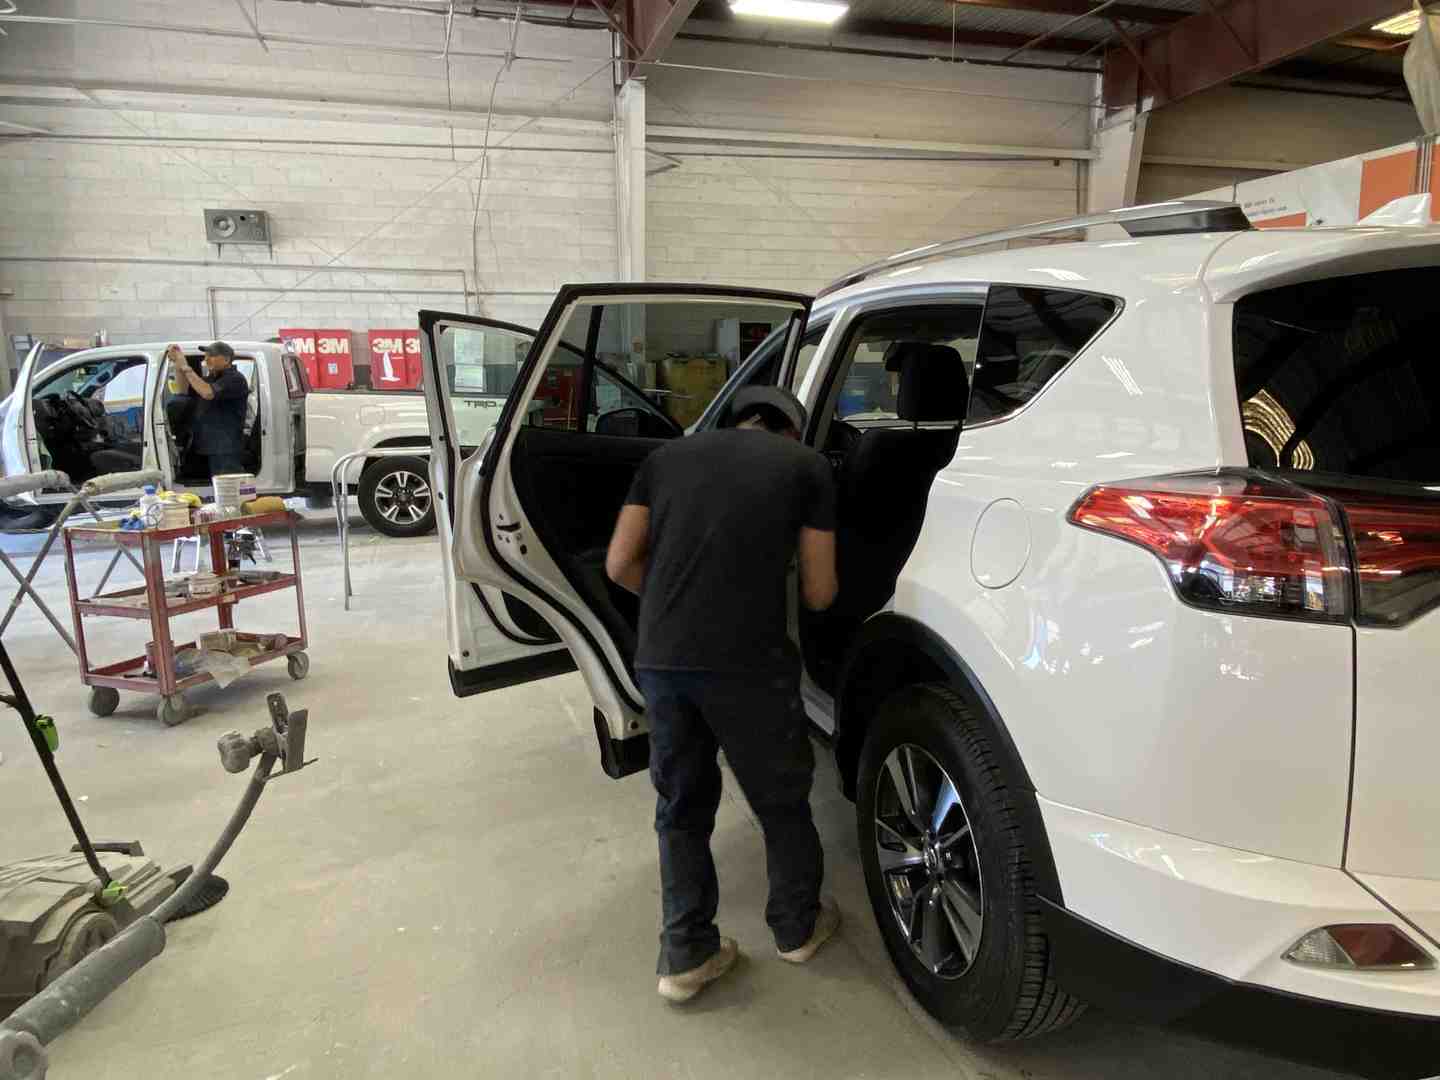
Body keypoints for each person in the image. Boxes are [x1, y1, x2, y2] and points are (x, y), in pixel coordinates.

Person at [605, 385, 841, 1005]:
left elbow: (619, 564)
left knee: (680, 808)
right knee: (781, 800)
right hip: (748, 666)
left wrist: (674, 608)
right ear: (792, 430)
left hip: (661, 660)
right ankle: (796, 929)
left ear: (734, 421)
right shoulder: (807, 467)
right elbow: (819, 592)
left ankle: (686, 956)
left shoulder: (665, 458)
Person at [168, 342, 248, 477]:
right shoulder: (211, 378)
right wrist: (178, 364)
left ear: (227, 359)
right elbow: (184, 389)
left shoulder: (234, 379)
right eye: (205, 356)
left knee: (229, 487)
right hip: (208, 445)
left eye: (211, 356)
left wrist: (186, 367)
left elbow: (207, 393)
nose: (206, 359)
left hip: (225, 448)